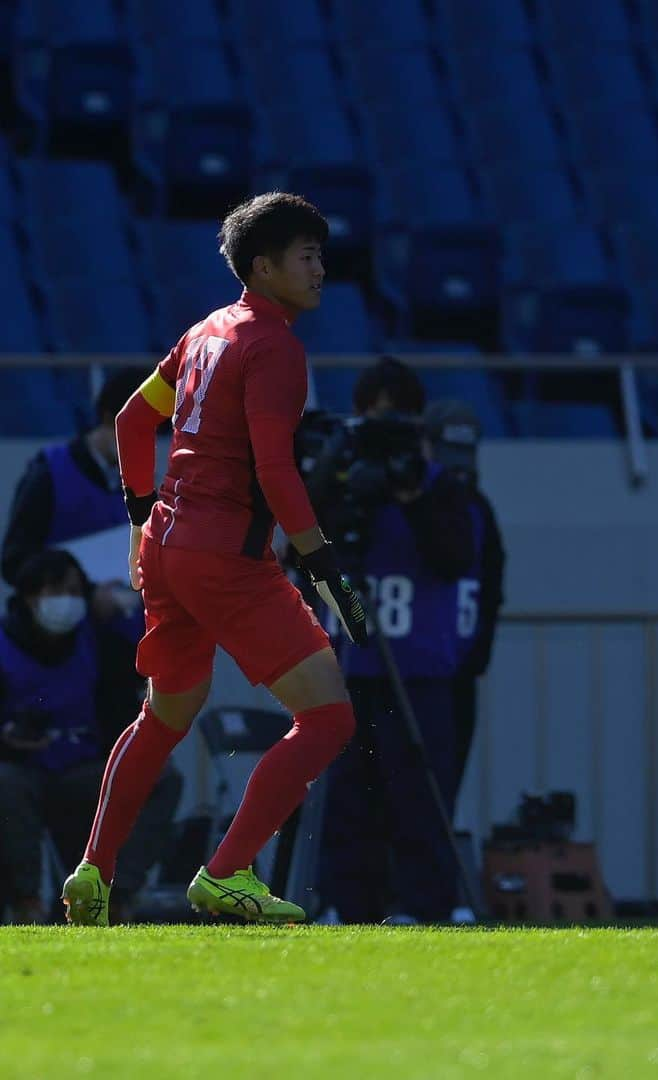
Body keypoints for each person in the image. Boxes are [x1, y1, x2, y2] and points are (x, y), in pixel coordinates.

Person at [60, 192, 367, 926]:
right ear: (264, 267)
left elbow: (133, 422)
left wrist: (138, 519)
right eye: (306, 256)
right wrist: (321, 561)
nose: (320, 269)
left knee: (166, 715)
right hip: (226, 555)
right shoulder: (275, 345)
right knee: (328, 719)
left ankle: (93, 872)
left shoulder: (206, 331)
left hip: (169, 547)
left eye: (321, 254)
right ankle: (227, 874)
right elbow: (274, 471)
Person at [314, 359, 476, 923]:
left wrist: (412, 496)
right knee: (349, 797)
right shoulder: (344, 482)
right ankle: (348, 902)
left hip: (419, 667)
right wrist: (338, 466)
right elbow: (307, 542)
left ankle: (423, 904)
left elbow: (456, 556)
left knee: (418, 798)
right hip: (353, 664)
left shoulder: (437, 487)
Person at [0, 550, 179, 923]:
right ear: (30, 596)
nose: (68, 601)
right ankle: (24, 902)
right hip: (22, 771)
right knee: (6, 784)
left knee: (162, 777)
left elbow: (151, 659)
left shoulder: (99, 639)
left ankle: (116, 894)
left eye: (75, 591)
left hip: (84, 770)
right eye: (56, 591)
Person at [2, 366, 147, 614]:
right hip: (58, 634)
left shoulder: (145, 485)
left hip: (121, 633)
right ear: (107, 417)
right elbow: (14, 561)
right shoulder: (48, 474)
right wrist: (86, 593)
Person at [423, 399, 506, 805]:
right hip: (422, 667)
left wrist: (476, 658)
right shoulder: (422, 505)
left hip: (458, 671)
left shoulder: (480, 510)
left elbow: (492, 590)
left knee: (445, 791)